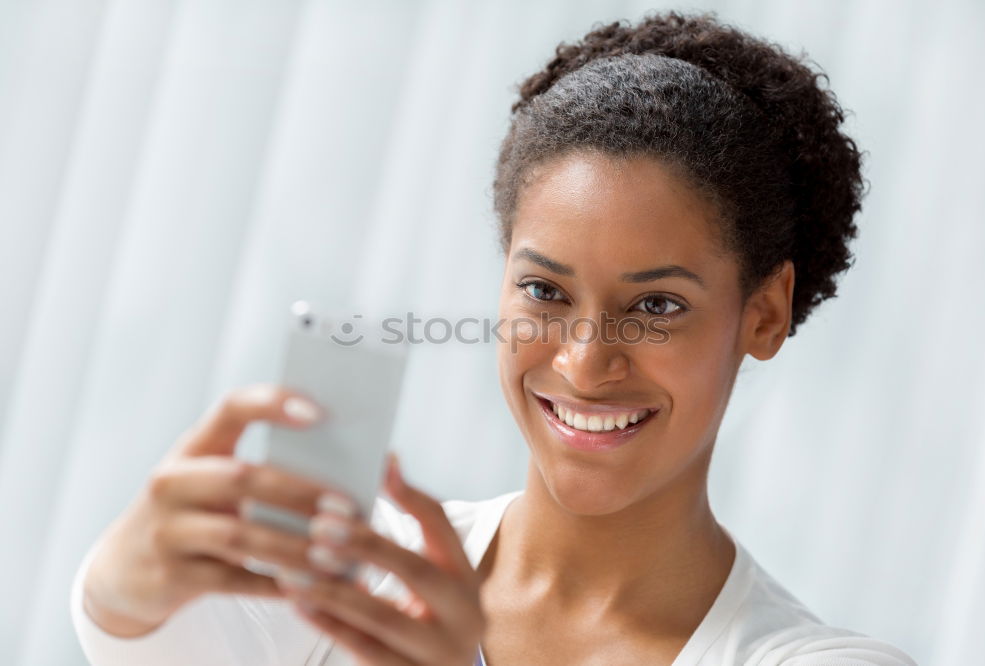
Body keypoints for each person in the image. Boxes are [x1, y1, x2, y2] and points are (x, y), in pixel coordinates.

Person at [71, 10, 919, 666]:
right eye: (545, 290)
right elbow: (130, 630)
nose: (585, 361)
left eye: (657, 306)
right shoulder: (350, 579)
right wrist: (121, 576)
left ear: (763, 313)